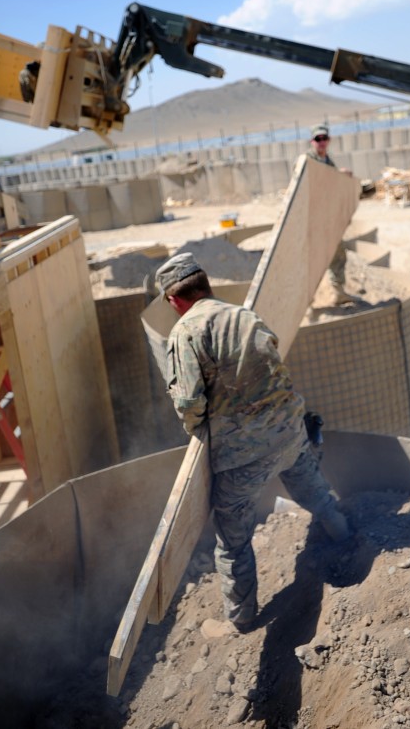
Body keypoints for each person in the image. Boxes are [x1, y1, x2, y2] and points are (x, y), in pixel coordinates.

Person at [157, 252, 351, 632]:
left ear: (174, 300)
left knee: (232, 541)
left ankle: (242, 619)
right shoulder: (246, 316)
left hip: (242, 456)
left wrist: (199, 430)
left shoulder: (185, 332)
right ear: (206, 286)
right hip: (289, 433)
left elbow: (188, 402)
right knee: (315, 494)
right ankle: (344, 536)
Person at [306, 123, 354, 304]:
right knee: (315, 260)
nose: (321, 142)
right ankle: (306, 300)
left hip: (329, 219)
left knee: (338, 256)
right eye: (318, 139)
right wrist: (336, 175)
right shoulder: (308, 160)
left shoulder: (327, 160)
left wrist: (341, 177)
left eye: (324, 138)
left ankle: (338, 292)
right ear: (312, 141)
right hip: (314, 220)